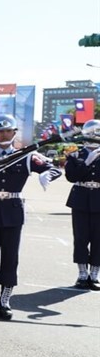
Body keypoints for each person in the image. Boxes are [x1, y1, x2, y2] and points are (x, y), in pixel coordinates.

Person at [0, 114, 62, 319]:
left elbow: (53, 168)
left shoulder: (25, 156)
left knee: (10, 257)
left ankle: (5, 300)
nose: (4, 134)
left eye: (8, 130)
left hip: (13, 210)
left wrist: (47, 175)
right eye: (0, 131)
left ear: (14, 132)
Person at [64, 118, 100, 290]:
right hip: (81, 199)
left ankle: (95, 274)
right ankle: (82, 274)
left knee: (98, 239)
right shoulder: (76, 155)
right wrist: (86, 162)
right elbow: (72, 177)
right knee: (81, 238)